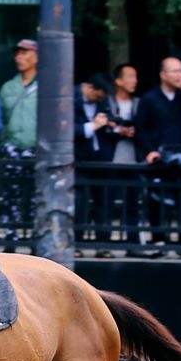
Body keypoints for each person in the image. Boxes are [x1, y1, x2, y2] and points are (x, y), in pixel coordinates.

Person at [135, 56, 181, 257]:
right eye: (174, 71)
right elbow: (141, 128)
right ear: (163, 75)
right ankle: (158, 241)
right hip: (159, 157)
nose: (180, 75)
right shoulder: (149, 99)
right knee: (157, 199)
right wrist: (149, 151)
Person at [0, 39, 38, 251]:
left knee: (34, 195)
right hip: (12, 146)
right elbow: (2, 117)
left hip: (35, 148)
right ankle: (11, 238)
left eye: (25, 53)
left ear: (37, 56)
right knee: (10, 193)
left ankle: (34, 240)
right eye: (18, 53)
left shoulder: (45, 86)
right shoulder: (8, 87)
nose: (20, 57)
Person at [106, 63, 145, 255]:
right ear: (118, 81)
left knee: (132, 203)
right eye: (130, 76)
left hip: (133, 159)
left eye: (135, 77)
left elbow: (146, 128)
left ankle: (133, 243)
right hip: (111, 159)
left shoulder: (139, 103)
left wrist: (134, 131)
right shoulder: (108, 102)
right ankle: (104, 243)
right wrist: (118, 130)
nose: (134, 81)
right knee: (107, 201)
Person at [74, 74, 113, 253]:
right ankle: (78, 243)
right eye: (97, 96)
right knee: (79, 202)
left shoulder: (102, 102)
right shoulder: (71, 98)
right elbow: (65, 127)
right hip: (79, 159)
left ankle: (103, 244)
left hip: (100, 158)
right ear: (89, 88)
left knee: (102, 201)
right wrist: (92, 126)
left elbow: (110, 119)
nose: (99, 100)